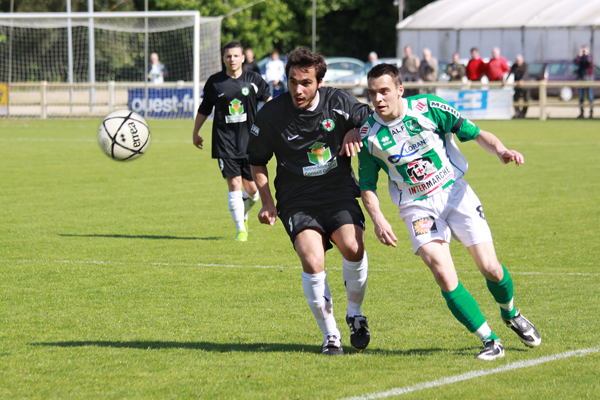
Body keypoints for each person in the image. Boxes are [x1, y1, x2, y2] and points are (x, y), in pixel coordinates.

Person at [356, 63, 541, 360]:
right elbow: (367, 186)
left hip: (455, 193)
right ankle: (489, 339)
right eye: (373, 93)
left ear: (400, 90)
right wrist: (378, 219)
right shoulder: (368, 136)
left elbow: (477, 133)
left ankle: (511, 313)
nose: (378, 99)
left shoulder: (429, 108)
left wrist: (502, 150)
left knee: (490, 268)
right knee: (442, 272)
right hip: (416, 208)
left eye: (384, 91)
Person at [247, 47, 372, 356]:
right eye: (292, 82)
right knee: (313, 260)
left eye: (305, 82)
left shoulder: (339, 101)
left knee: (354, 248)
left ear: (319, 82)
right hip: (296, 198)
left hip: (338, 191)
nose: (297, 89)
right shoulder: (272, 114)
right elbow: (257, 161)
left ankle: (355, 315)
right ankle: (331, 336)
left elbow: (372, 119)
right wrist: (267, 202)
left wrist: (355, 130)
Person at [192, 41, 272, 241]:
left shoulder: (254, 79)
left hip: (251, 142)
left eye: (236, 56)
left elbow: (269, 102)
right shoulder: (215, 82)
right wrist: (195, 131)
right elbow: (204, 108)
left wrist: (277, 123)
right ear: (223, 59)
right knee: (234, 183)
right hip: (224, 142)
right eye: (228, 56)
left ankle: (241, 213)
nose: (232, 59)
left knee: (252, 190)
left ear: (243, 58)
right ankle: (241, 229)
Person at [574, 45, 595, 119]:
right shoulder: (580, 57)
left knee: (590, 97)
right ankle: (581, 113)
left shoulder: (590, 57)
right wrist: (579, 54)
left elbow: (589, 63)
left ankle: (591, 113)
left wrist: (586, 55)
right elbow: (576, 62)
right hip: (581, 79)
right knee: (581, 97)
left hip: (588, 79)